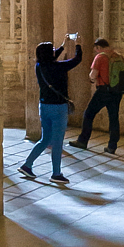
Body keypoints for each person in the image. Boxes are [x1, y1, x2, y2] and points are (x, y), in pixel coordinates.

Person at [18, 35, 82, 182]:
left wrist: (63, 46)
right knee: (58, 141)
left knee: (45, 139)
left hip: (44, 106)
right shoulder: (58, 67)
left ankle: (27, 165)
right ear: (49, 53)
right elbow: (77, 60)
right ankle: (56, 174)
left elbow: (50, 57)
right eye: (52, 49)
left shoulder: (39, 66)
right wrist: (78, 45)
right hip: (58, 108)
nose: (54, 50)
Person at [73, 36, 124, 154]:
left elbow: (93, 74)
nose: (96, 51)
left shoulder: (100, 57)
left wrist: (92, 80)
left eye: (96, 49)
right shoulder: (118, 56)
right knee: (113, 118)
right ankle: (112, 146)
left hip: (103, 91)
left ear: (98, 47)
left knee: (88, 114)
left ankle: (83, 141)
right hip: (116, 91)